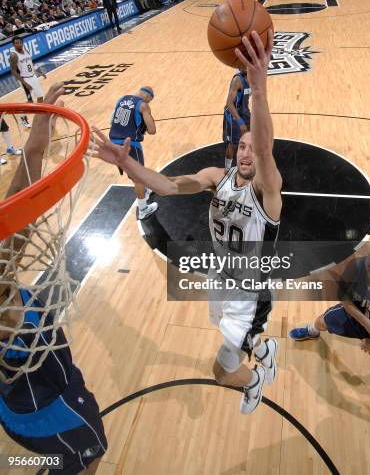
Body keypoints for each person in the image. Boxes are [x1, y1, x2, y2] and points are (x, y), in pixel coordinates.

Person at [93, 30, 282, 415]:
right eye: (241, 146)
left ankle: (256, 378)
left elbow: (264, 146)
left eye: (252, 148)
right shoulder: (217, 176)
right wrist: (127, 163)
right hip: (223, 277)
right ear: (235, 150)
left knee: (221, 372)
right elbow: (166, 185)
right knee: (229, 329)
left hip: (251, 292)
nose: (247, 152)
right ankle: (263, 347)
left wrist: (259, 88)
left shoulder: (267, 190)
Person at [0, 83, 108, 474]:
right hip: (48, 409)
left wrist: (41, 119)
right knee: (88, 459)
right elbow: (25, 184)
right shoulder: (0, 284)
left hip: (20, 405)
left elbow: (27, 170)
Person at [290, 239, 370, 465]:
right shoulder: (357, 266)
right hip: (359, 318)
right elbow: (344, 298)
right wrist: (366, 323)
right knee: (322, 321)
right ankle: (312, 332)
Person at [109, 87, 158, 222]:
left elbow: (111, 120)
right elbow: (152, 130)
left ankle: (145, 191)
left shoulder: (122, 99)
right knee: (138, 177)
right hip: (130, 145)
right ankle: (143, 209)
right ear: (148, 97)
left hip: (113, 143)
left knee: (132, 173)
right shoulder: (143, 105)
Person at [223, 65, 251, 169]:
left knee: (250, 138)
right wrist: (240, 121)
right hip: (233, 114)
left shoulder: (252, 78)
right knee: (233, 144)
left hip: (244, 112)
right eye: (240, 64)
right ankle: (227, 170)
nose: (242, 66)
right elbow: (229, 103)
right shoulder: (237, 80)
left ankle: (246, 165)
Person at [10, 35, 46, 107]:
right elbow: (13, 71)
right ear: (13, 44)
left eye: (20, 42)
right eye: (17, 43)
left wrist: (40, 72)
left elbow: (31, 64)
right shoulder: (14, 56)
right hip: (25, 79)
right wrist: (25, 83)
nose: (19, 44)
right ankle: (25, 114)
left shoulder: (26, 50)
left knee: (40, 96)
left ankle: (39, 113)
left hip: (33, 76)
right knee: (30, 101)